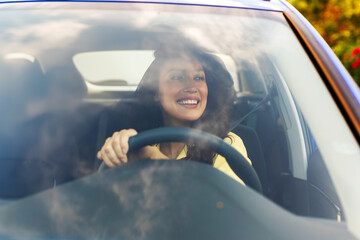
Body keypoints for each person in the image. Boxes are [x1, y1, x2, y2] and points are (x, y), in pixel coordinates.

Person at [97, 41, 251, 183]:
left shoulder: (225, 145)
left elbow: (228, 205)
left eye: (198, 77)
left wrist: (153, 157)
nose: (191, 86)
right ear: (156, 92)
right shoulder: (141, 143)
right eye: (177, 77)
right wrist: (119, 150)